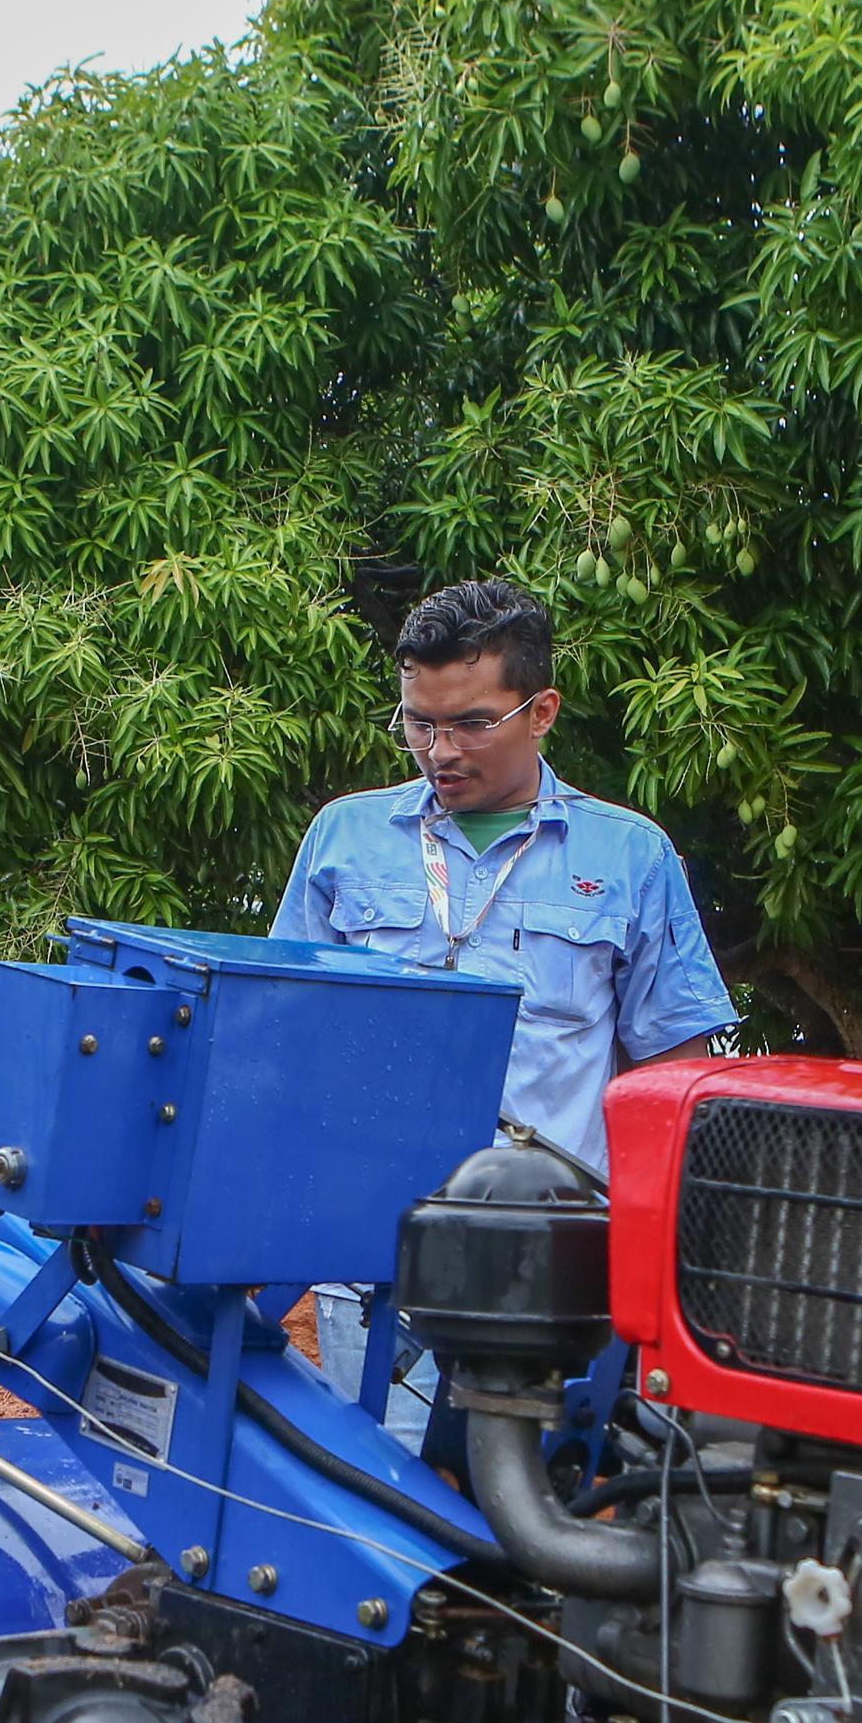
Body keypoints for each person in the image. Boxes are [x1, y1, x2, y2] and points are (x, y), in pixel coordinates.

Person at [270, 579, 738, 1428]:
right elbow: (281, 1034)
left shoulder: (630, 857)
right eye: (419, 722)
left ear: (542, 710)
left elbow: (676, 1078)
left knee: (538, 1521)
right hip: (371, 1268)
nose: (439, 749)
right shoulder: (344, 839)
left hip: (547, 1276)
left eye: (472, 724)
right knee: (388, 1526)